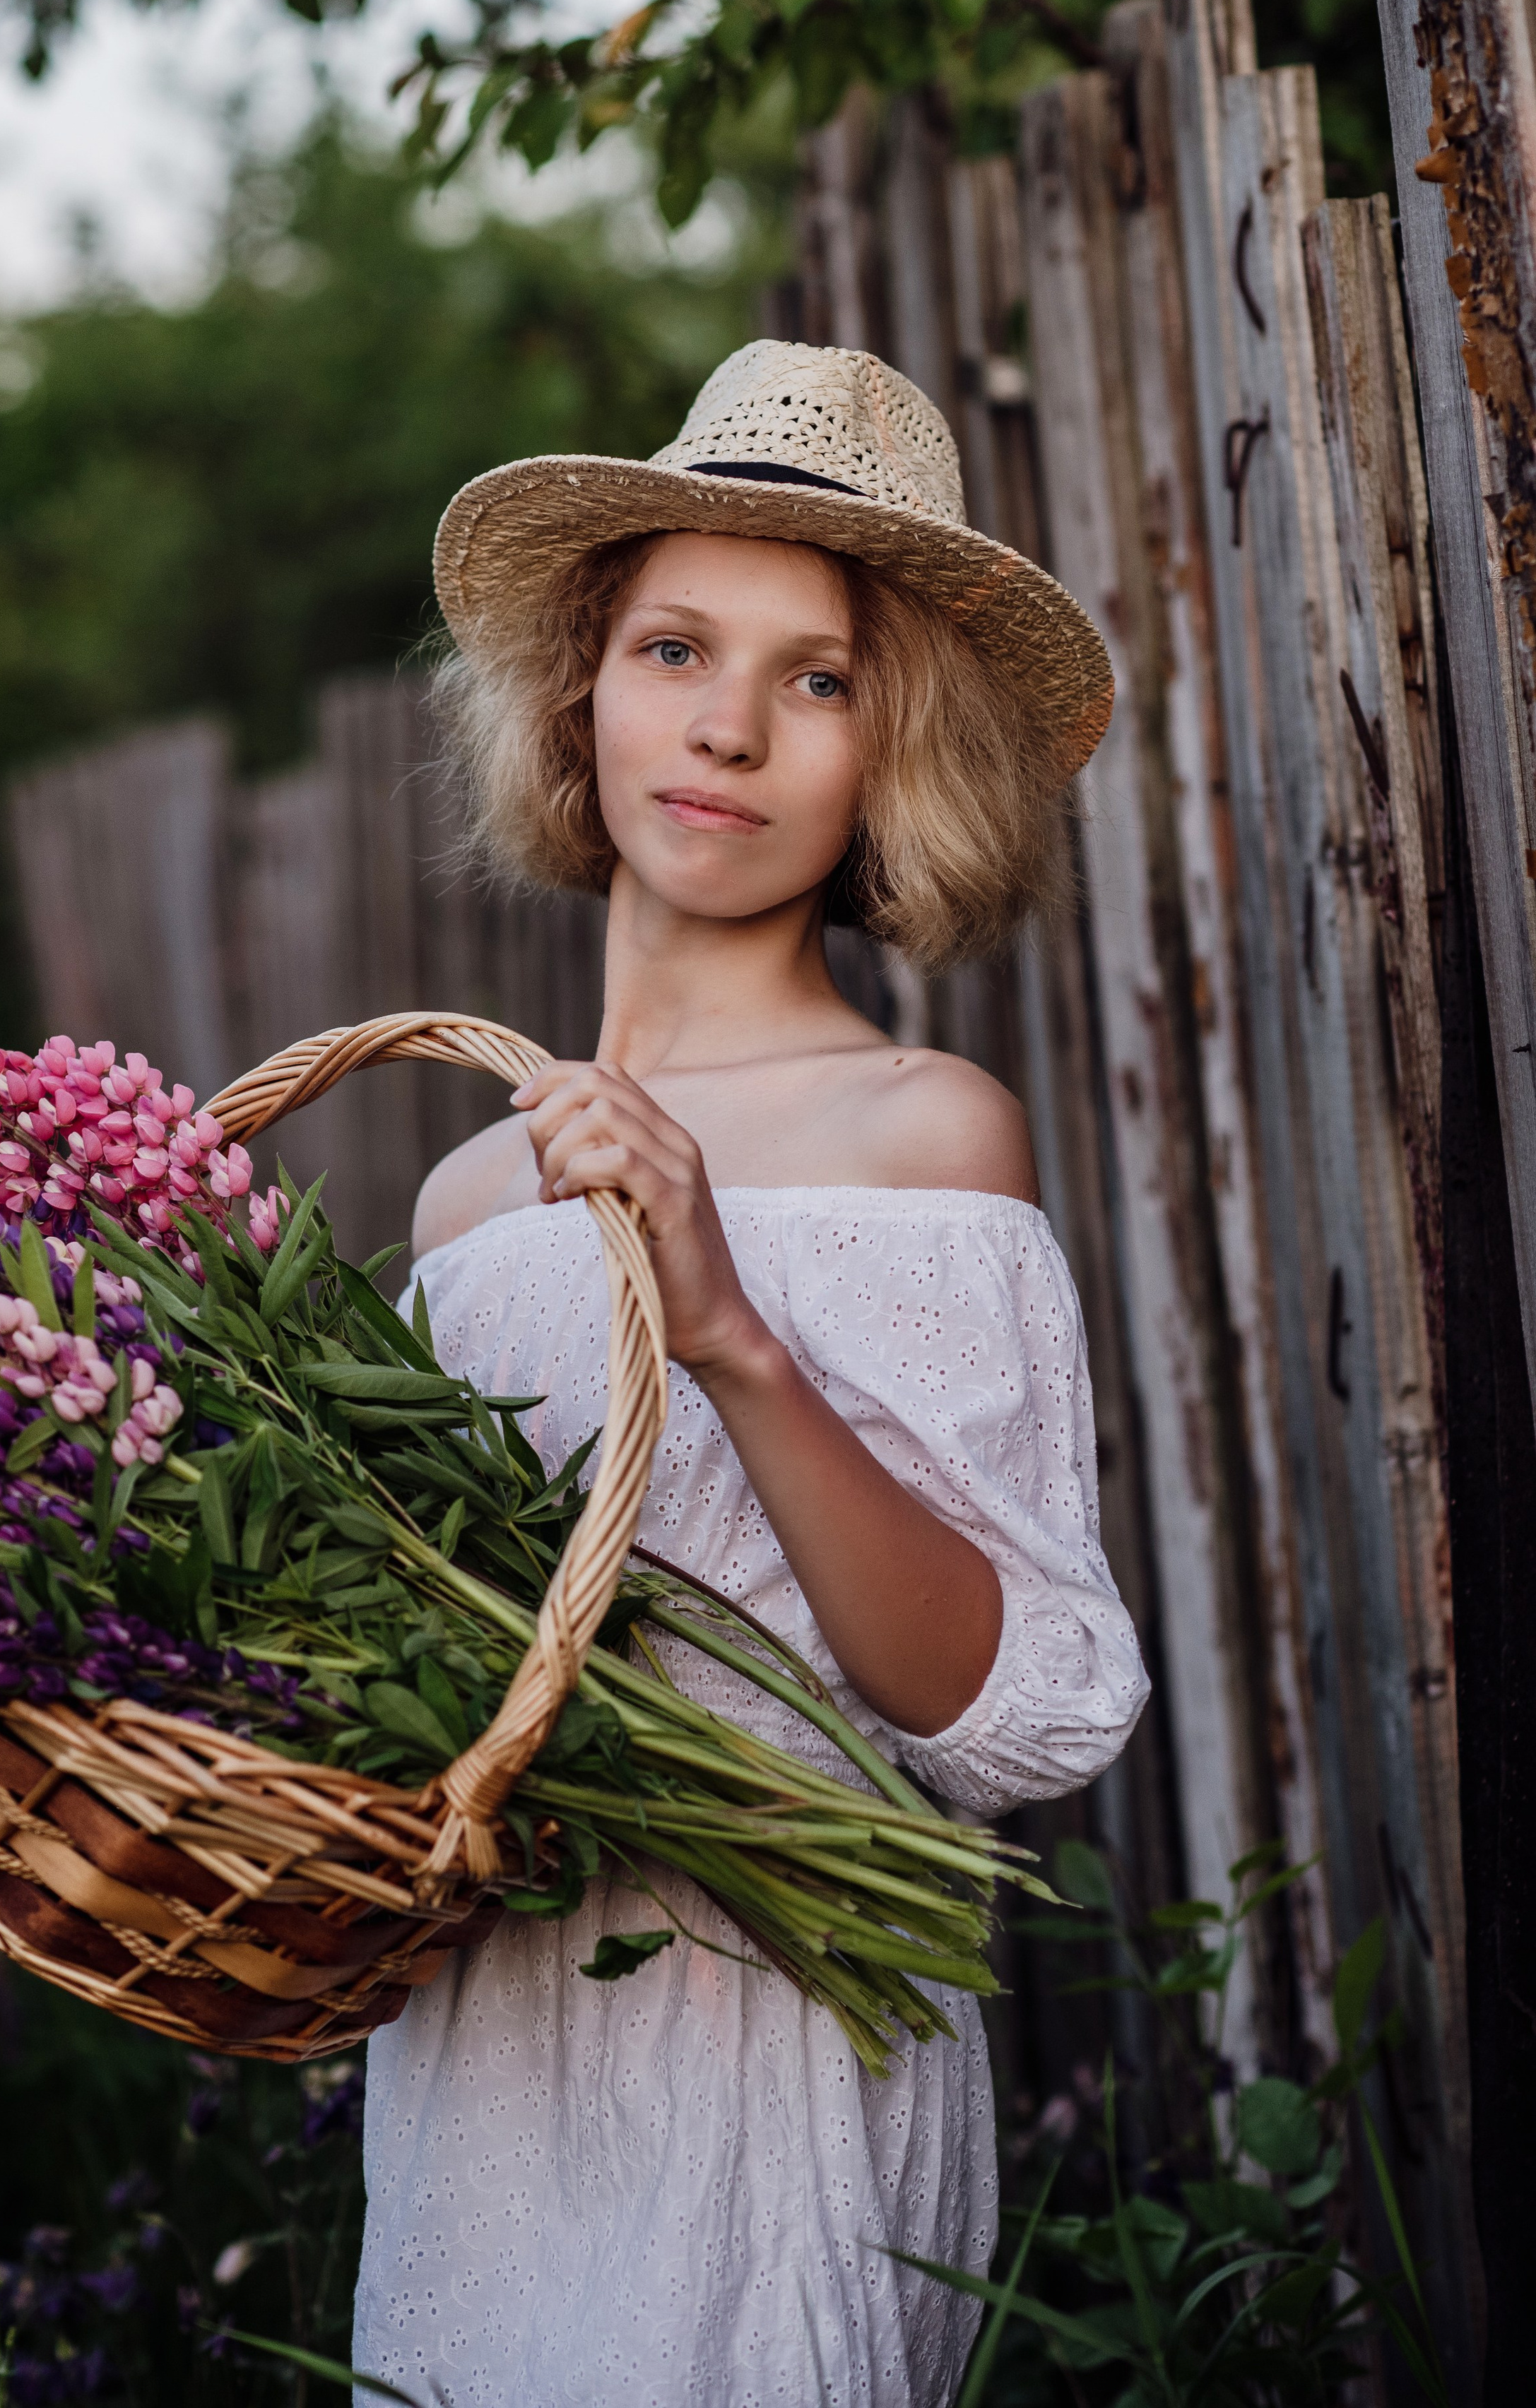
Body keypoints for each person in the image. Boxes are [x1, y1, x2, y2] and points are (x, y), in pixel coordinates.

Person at [351, 340, 1149, 2407]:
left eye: (819, 677)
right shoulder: (462, 1197)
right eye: (675, 645)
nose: (725, 724)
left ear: (898, 752)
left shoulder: (923, 1129)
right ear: (577, 693)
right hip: (485, 2037)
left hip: (779, 2022)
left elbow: (1015, 1704)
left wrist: (729, 1331)